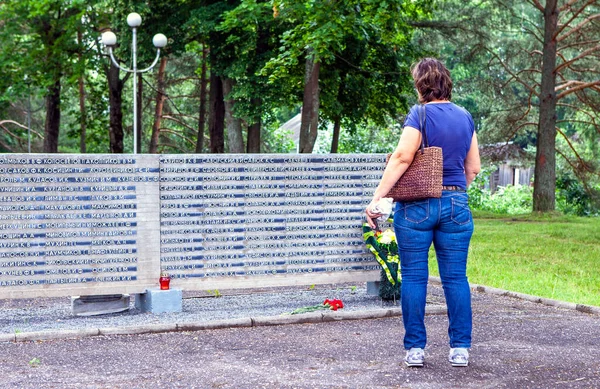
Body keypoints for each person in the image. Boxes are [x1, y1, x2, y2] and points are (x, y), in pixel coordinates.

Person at [365, 57, 481, 368]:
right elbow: (474, 168)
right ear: (446, 82)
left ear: (421, 84)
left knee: (415, 277)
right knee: (456, 278)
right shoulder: (465, 117)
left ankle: (415, 349)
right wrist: (452, 193)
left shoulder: (420, 114)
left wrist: (378, 196)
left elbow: (403, 156)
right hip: (457, 203)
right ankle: (460, 349)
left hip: (417, 206)